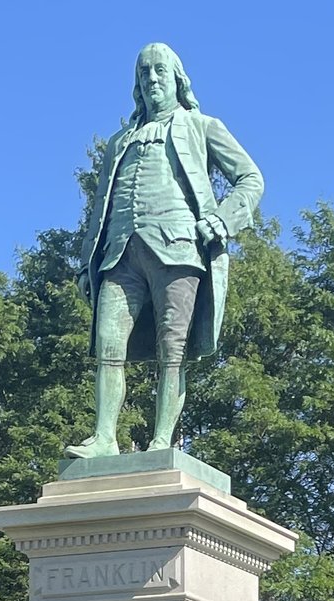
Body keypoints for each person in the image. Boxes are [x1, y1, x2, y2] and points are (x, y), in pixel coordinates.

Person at [67, 43, 265, 460]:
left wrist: (223, 219)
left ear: (178, 78)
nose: (152, 79)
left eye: (160, 71)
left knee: (171, 350)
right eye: (144, 73)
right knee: (107, 346)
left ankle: (162, 441)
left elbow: (250, 178)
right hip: (120, 254)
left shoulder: (202, 126)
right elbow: (99, 205)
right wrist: (87, 264)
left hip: (179, 250)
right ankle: (104, 437)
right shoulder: (119, 142)